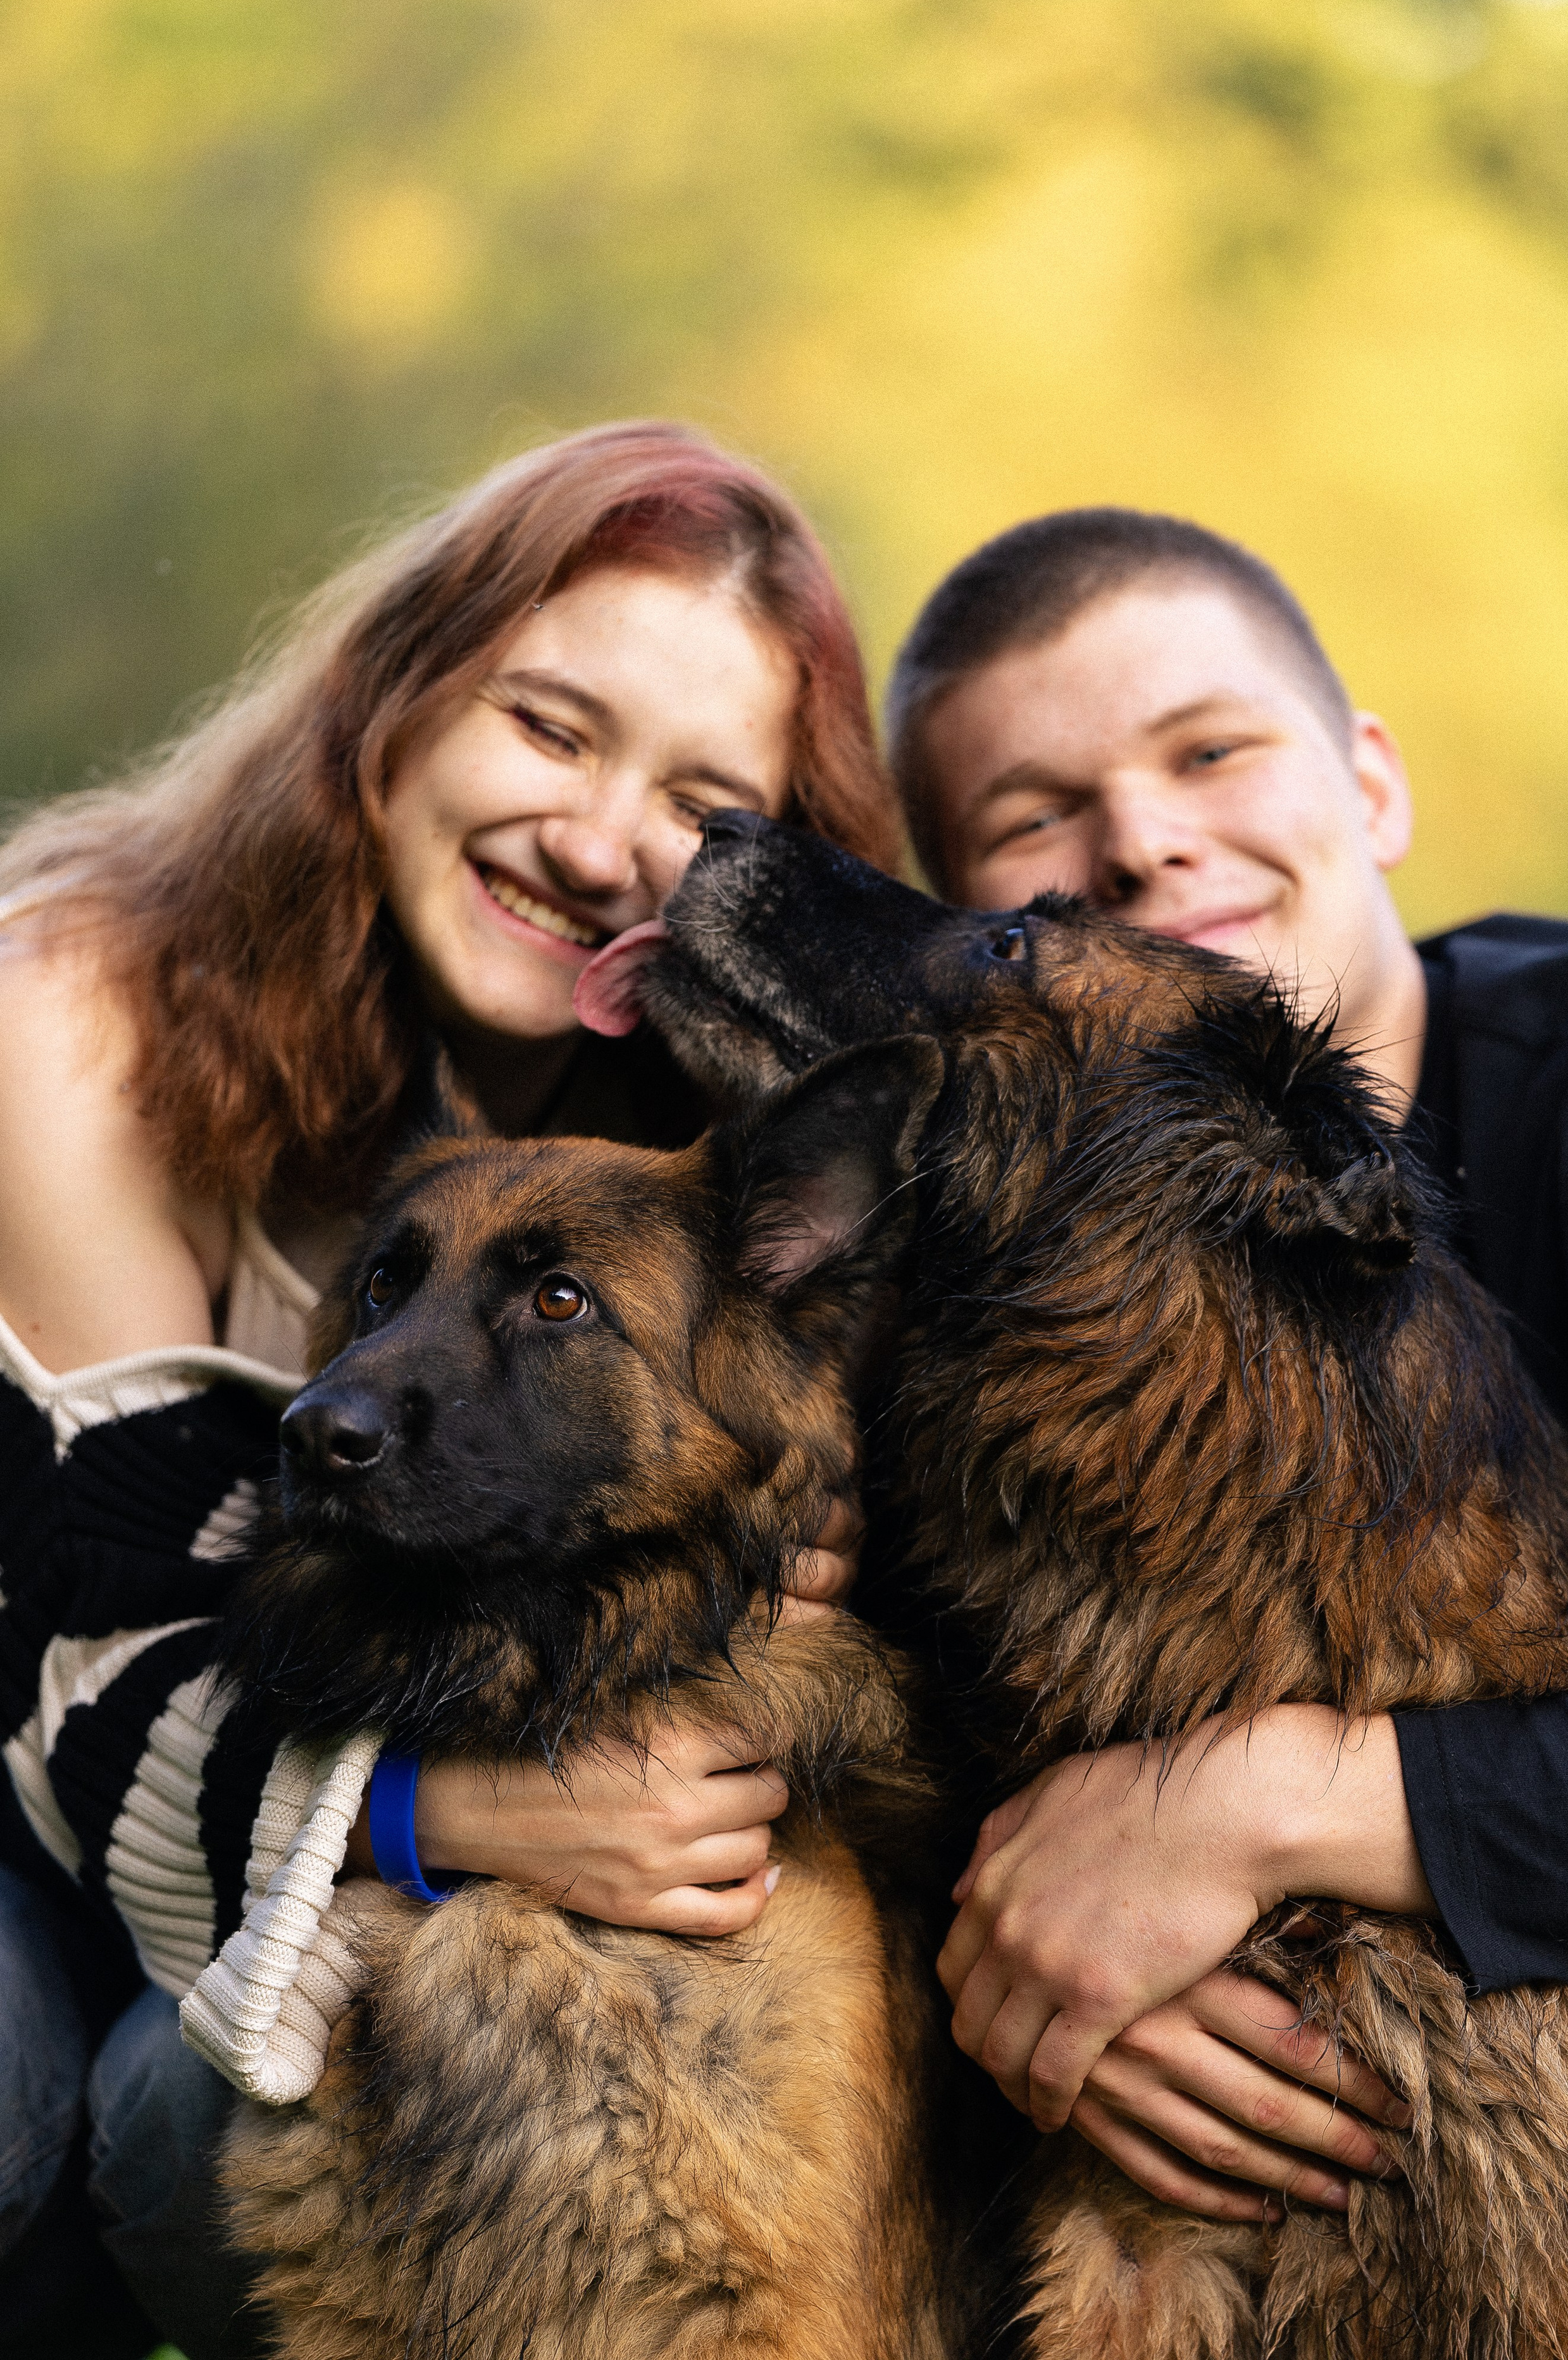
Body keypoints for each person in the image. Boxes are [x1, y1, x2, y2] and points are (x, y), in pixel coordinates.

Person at [0, 419, 900, 2357]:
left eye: (699, 803)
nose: (597, 844)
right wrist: (444, 1817)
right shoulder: (70, 1019)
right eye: (552, 730)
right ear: (394, 704)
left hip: (279, 1774)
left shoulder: (689, 1123)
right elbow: (80, 1663)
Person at [885, 506, 1568, 2225]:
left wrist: (1274, 1813)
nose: (1139, 846)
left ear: (1370, 786)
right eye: (1032, 822)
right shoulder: (967, 1294)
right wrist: (1023, 1957)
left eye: (1209, 750)